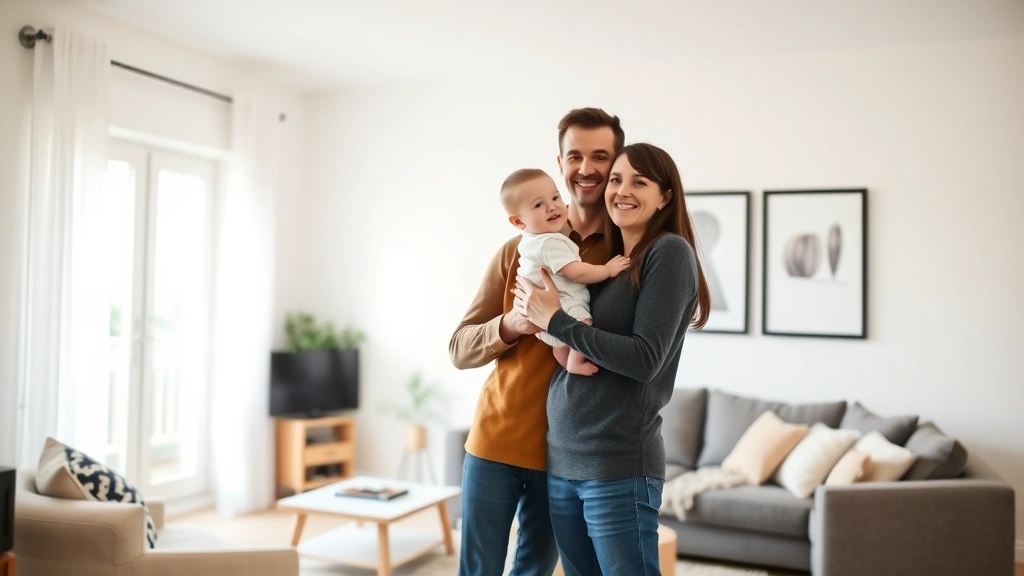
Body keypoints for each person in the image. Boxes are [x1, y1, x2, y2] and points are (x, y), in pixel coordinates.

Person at [514, 142, 711, 576]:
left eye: (639, 182)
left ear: (665, 197)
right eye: (617, 179)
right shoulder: (609, 264)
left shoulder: (669, 253)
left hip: (617, 465)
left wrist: (556, 319)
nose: (622, 190)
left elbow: (645, 359)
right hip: (563, 459)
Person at [449, 108, 624, 576]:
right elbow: (460, 347)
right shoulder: (517, 251)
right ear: (562, 162)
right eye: (575, 156)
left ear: (616, 164)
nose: (586, 168)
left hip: (564, 455)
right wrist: (513, 324)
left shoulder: (623, 253)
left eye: (600, 156)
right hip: (496, 441)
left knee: (534, 571)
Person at [500, 168, 630, 375]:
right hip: (562, 305)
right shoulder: (549, 242)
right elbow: (576, 272)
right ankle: (574, 364)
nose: (552, 207)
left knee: (559, 345)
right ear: (518, 221)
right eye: (539, 204)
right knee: (584, 323)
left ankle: (566, 362)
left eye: (555, 197)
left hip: (540, 317)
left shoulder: (530, 242)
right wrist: (608, 269)